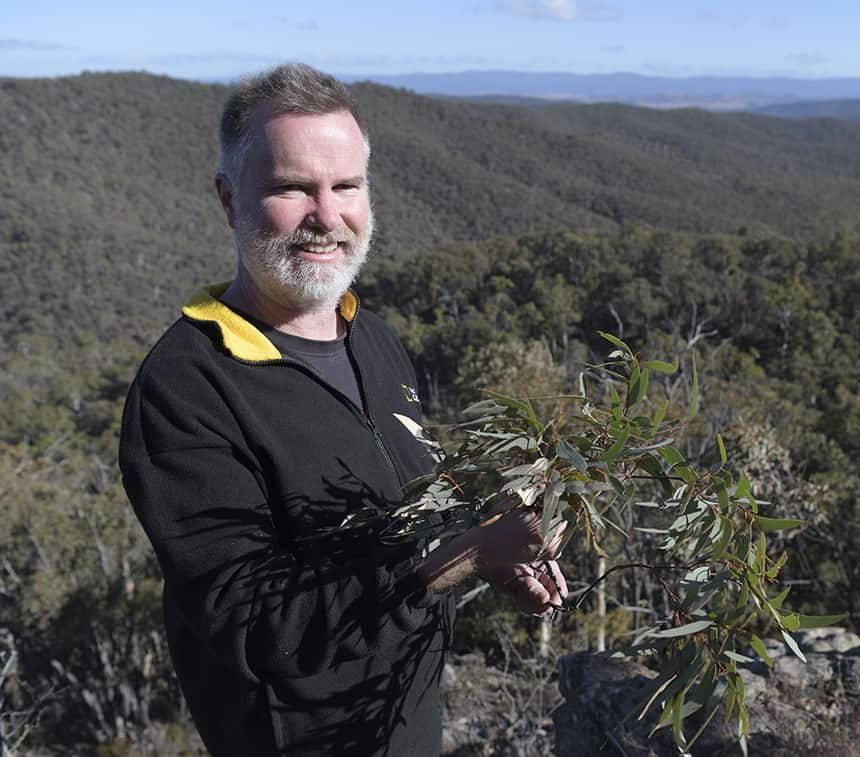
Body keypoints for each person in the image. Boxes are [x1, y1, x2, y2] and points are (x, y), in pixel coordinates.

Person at [119, 63, 568, 757]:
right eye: (292, 187)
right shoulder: (186, 389)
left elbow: (407, 520)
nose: (326, 217)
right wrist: (459, 557)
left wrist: (489, 551)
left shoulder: (375, 338)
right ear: (227, 198)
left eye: (346, 186)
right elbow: (256, 623)